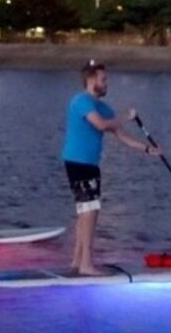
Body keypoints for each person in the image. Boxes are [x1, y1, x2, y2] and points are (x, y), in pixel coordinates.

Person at [62, 60, 160, 275]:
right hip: (78, 161)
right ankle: (87, 264)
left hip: (90, 164)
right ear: (91, 80)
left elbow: (120, 135)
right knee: (89, 211)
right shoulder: (81, 101)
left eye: (106, 80)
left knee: (86, 212)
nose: (107, 84)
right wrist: (125, 116)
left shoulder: (104, 107)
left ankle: (78, 262)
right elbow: (100, 125)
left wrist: (146, 149)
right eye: (103, 79)